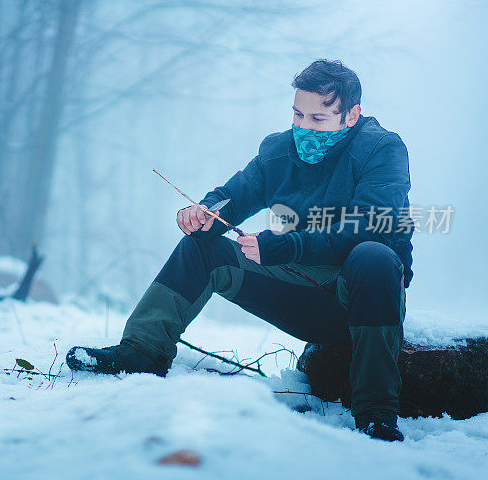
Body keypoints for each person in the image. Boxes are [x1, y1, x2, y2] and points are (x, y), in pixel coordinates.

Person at [66, 59, 413, 443]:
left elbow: (370, 224)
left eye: (318, 119)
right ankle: (142, 352)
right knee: (201, 247)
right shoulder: (279, 149)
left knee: (374, 256)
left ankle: (376, 413)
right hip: (298, 286)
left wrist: (285, 245)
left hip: (357, 296)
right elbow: (236, 193)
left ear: (352, 114)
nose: (304, 128)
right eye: (298, 114)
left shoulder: (383, 150)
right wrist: (205, 212)